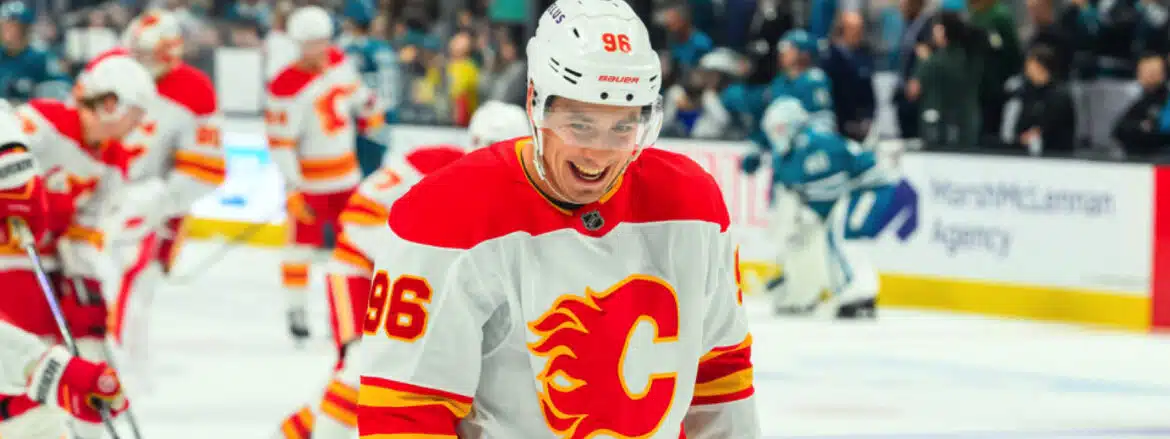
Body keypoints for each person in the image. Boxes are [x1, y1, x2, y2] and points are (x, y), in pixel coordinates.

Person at [354, 1, 760, 437]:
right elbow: (404, 411)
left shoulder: (692, 205)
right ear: (535, 103)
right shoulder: (444, 217)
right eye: (580, 125)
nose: (599, 153)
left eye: (623, 127)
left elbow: (720, 374)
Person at [272, 101, 529, 439]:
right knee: (363, 367)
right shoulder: (426, 165)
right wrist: (415, 260)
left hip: (424, 289)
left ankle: (293, 433)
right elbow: (359, 218)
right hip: (362, 273)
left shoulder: (520, 193)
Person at [75, 10, 225, 379]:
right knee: (81, 282)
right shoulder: (106, 69)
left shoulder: (195, 90)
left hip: (147, 203)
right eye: (136, 53)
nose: (140, 64)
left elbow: (206, 170)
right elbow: (75, 130)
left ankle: (119, 369)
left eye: (149, 55)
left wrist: (158, 200)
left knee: (134, 289)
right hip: (93, 195)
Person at [0, 79, 137, 438]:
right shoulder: (46, 122)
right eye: (133, 113)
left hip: (52, 264)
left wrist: (83, 279)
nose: (137, 125)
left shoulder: (113, 158)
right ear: (111, 103)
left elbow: (90, 226)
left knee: (79, 358)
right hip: (11, 261)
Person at [266, 5, 381, 344]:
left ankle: (354, 313)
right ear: (297, 44)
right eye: (311, 43)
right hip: (311, 183)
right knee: (300, 247)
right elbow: (280, 143)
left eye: (323, 41)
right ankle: (296, 309)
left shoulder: (338, 61)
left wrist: (369, 109)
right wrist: (293, 187)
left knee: (357, 247)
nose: (320, 50)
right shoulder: (285, 86)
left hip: (347, 176)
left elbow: (357, 97)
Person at [745, 97, 905, 318]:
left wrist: (809, 212)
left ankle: (860, 292)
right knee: (825, 238)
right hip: (857, 190)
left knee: (843, 236)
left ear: (793, 125)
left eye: (779, 128)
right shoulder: (789, 154)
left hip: (869, 187)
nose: (776, 135)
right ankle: (815, 291)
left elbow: (835, 183)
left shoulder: (815, 143)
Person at [340, 0, 396, 177]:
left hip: (356, 122)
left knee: (354, 179)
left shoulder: (347, 49)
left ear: (349, 21)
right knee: (372, 178)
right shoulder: (384, 49)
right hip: (380, 122)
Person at [0, 0, 69, 102]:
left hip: (29, 111)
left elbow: (64, 86)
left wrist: (37, 90)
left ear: (27, 30)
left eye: (16, 28)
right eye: (6, 28)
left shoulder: (41, 56)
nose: (10, 34)